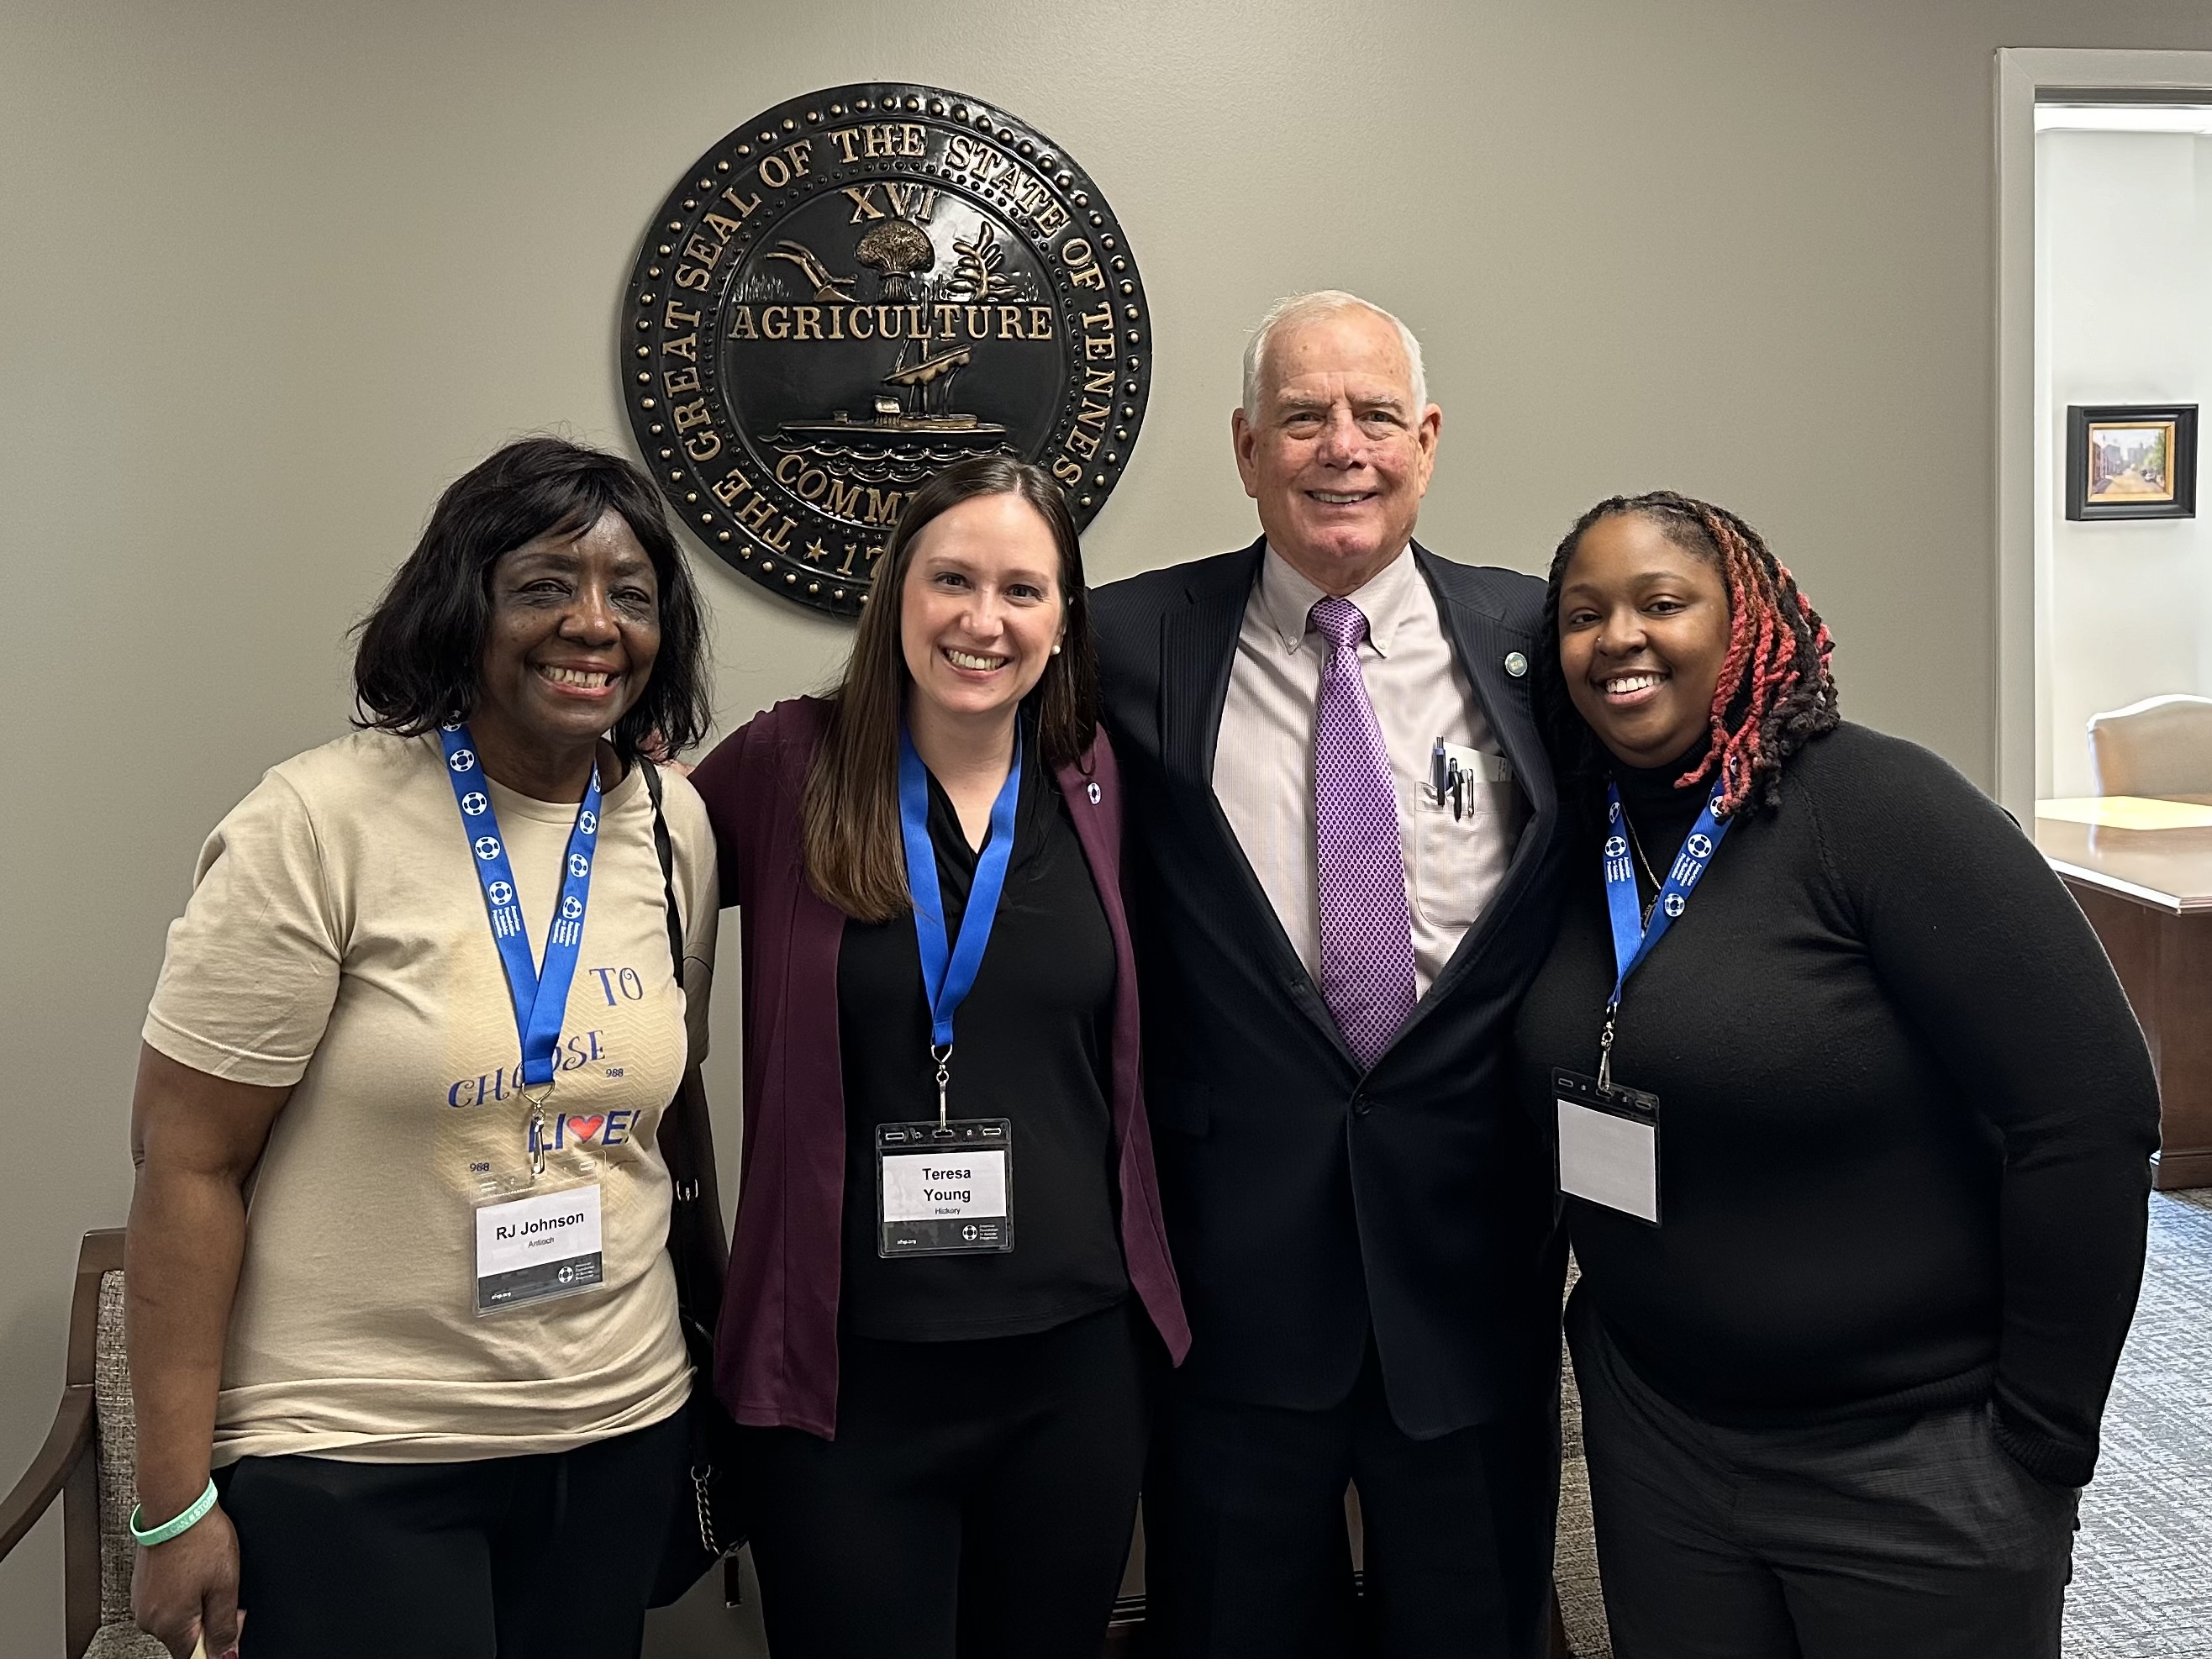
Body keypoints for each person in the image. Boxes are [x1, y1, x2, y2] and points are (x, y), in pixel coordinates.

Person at [1515, 489, 2160, 1656]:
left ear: (1747, 617)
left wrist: (2041, 1441)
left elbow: (2093, 1111)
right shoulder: (1569, 837)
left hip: (1907, 1462)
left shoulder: (1877, 808)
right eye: (1584, 612)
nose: (1620, 636)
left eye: (1663, 601)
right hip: (1663, 1445)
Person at [126, 437, 722, 1659]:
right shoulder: (318, 822)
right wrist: (173, 1503)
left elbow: (650, 1104)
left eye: (632, 594)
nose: (593, 623)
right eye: (548, 584)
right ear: (466, 604)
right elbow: (185, 1164)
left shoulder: (674, 824)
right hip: (356, 1453)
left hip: (616, 1427)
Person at [1092, 292, 1570, 1658]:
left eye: (1372, 416)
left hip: (1471, 1264)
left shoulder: (1542, 646)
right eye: (1302, 416)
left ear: (1426, 441)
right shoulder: (1127, 643)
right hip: (1231, 1283)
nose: (1338, 447)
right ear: (1247, 449)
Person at [685, 455, 1188, 1659]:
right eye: (951, 579)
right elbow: (610, 869)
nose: (982, 618)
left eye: (1023, 588)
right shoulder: (785, 766)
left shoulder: (1105, 782)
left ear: (1065, 620)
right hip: (846, 1384)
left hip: (1073, 1371)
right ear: (895, 594)